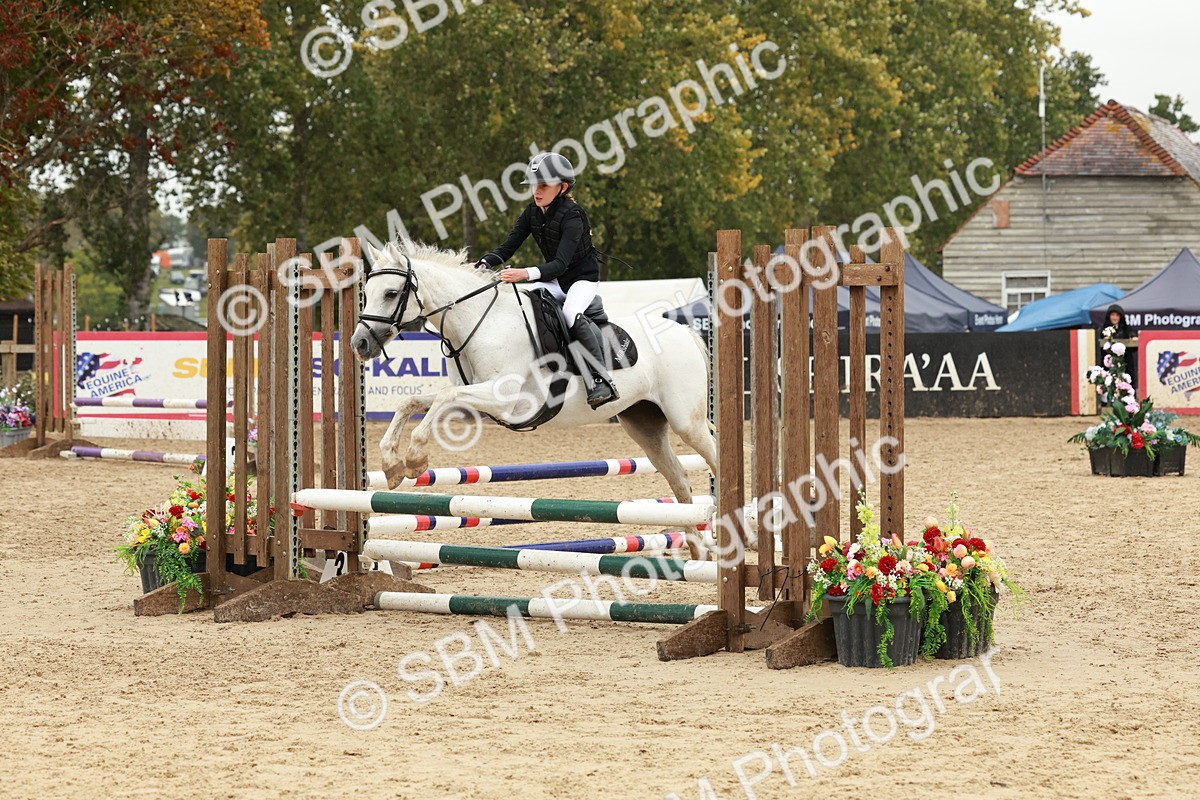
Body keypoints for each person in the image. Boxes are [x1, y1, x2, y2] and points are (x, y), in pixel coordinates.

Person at [474, 152, 619, 409]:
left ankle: (601, 379)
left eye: (544, 185)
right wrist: (484, 262)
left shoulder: (574, 216)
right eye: (534, 185)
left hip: (581, 280)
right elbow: (508, 246)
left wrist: (524, 273)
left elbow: (561, 264)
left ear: (562, 187)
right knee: (524, 303)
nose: (536, 191)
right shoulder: (532, 213)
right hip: (554, 280)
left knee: (571, 313)